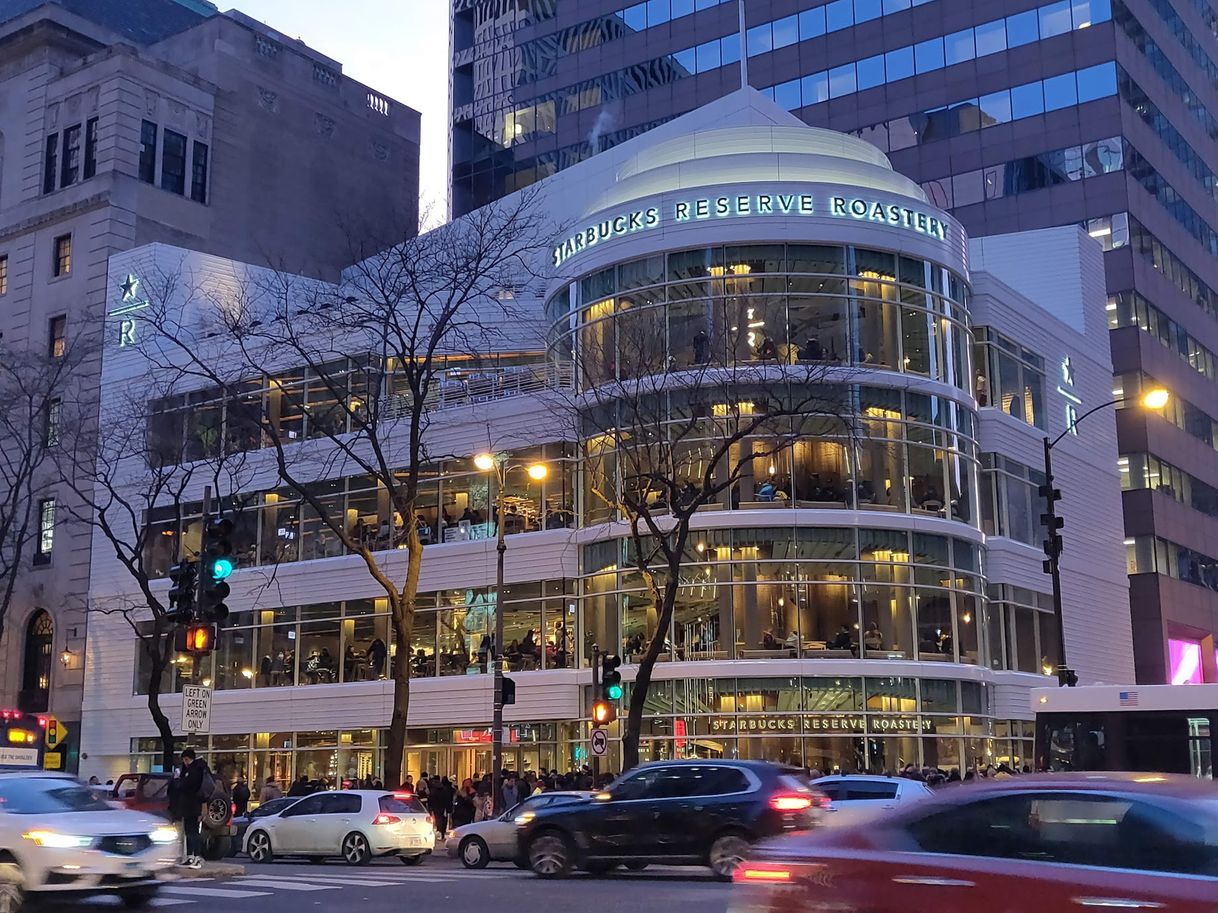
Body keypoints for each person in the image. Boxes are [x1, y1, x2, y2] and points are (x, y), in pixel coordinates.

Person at [169, 748, 209, 868]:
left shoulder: (195, 771)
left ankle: (196, 857)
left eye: (185, 760)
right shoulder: (191, 770)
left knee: (193, 832)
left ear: (188, 759)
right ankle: (191, 857)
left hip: (192, 805)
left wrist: (178, 779)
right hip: (189, 805)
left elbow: (185, 785)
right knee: (189, 831)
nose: (184, 762)